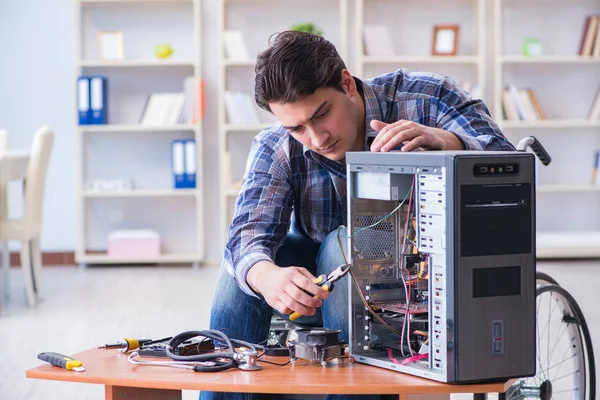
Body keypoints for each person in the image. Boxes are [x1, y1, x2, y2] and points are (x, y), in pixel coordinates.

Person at [201, 31, 515, 400]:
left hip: (422, 269)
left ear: (347, 83)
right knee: (240, 268)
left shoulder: (427, 98)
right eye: (297, 127)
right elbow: (246, 236)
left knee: (342, 244)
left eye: (322, 115)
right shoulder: (277, 145)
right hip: (319, 272)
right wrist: (265, 276)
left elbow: (510, 168)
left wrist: (449, 142)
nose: (316, 138)